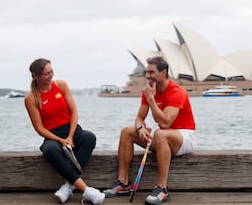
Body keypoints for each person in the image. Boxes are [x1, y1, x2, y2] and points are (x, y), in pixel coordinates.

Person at [103, 56, 195, 205]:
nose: (147, 76)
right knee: (126, 132)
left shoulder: (176, 92)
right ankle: (123, 184)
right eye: (147, 72)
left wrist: (151, 99)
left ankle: (162, 189)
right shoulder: (149, 91)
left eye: (151, 72)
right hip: (162, 136)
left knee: (160, 133)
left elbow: (165, 123)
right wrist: (140, 129)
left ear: (163, 72)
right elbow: (139, 118)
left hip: (184, 136)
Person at [24, 58, 105, 205]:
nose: (50, 75)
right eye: (46, 73)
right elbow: (39, 128)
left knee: (89, 137)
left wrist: (70, 136)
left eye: (51, 71)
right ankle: (86, 191)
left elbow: (74, 112)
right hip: (52, 136)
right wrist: (61, 140)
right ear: (36, 76)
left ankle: (68, 186)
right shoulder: (30, 98)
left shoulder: (61, 85)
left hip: (72, 131)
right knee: (50, 149)